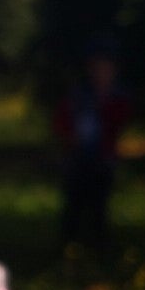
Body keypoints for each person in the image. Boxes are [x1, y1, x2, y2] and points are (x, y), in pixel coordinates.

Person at [51, 36, 132, 252]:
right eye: (97, 67)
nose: (102, 72)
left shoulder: (116, 96)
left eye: (107, 67)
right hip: (77, 157)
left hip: (102, 158)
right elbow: (61, 121)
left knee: (99, 205)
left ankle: (98, 245)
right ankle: (69, 245)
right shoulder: (78, 95)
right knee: (74, 204)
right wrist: (69, 138)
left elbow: (119, 122)